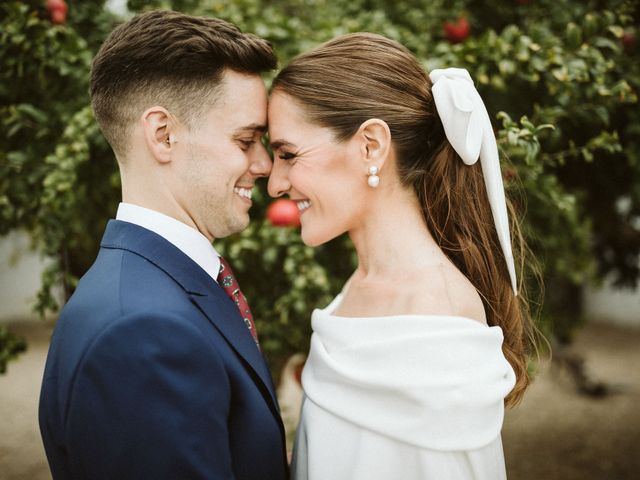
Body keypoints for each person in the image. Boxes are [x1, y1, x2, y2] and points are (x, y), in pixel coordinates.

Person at [267, 32, 537, 480]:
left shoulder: (438, 316)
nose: (275, 183)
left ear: (371, 145)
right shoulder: (360, 287)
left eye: (289, 154)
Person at [38, 10, 288, 480]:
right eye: (246, 140)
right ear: (163, 135)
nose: (264, 165)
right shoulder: (143, 332)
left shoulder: (142, 287)